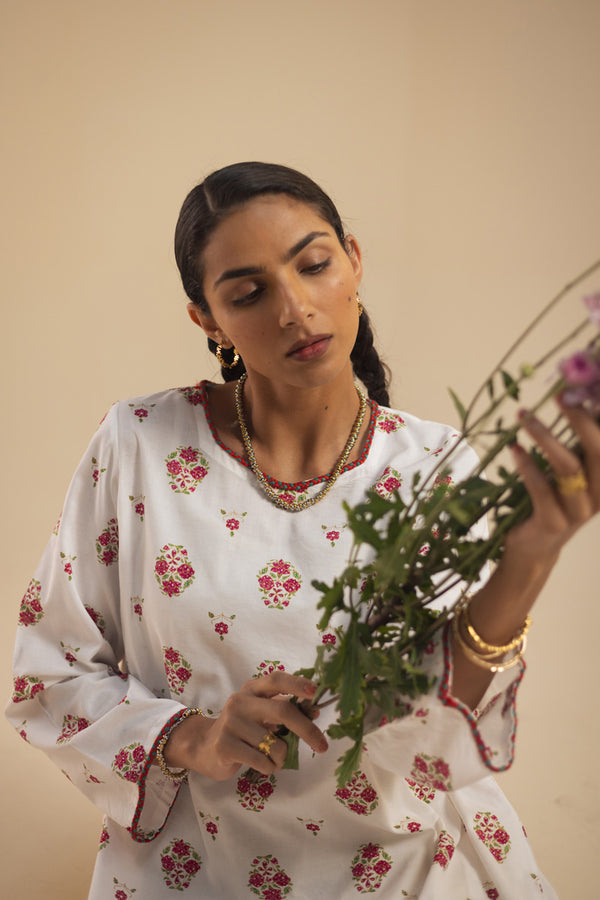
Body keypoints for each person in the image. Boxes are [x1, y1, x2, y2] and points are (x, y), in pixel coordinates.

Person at [7, 162, 599, 899]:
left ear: (353, 261)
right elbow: (50, 674)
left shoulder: (437, 467)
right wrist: (194, 736)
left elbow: (446, 736)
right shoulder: (139, 444)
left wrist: (533, 553)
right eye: (248, 293)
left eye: (314, 265)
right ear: (208, 320)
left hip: (417, 870)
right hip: (198, 873)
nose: (294, 308)